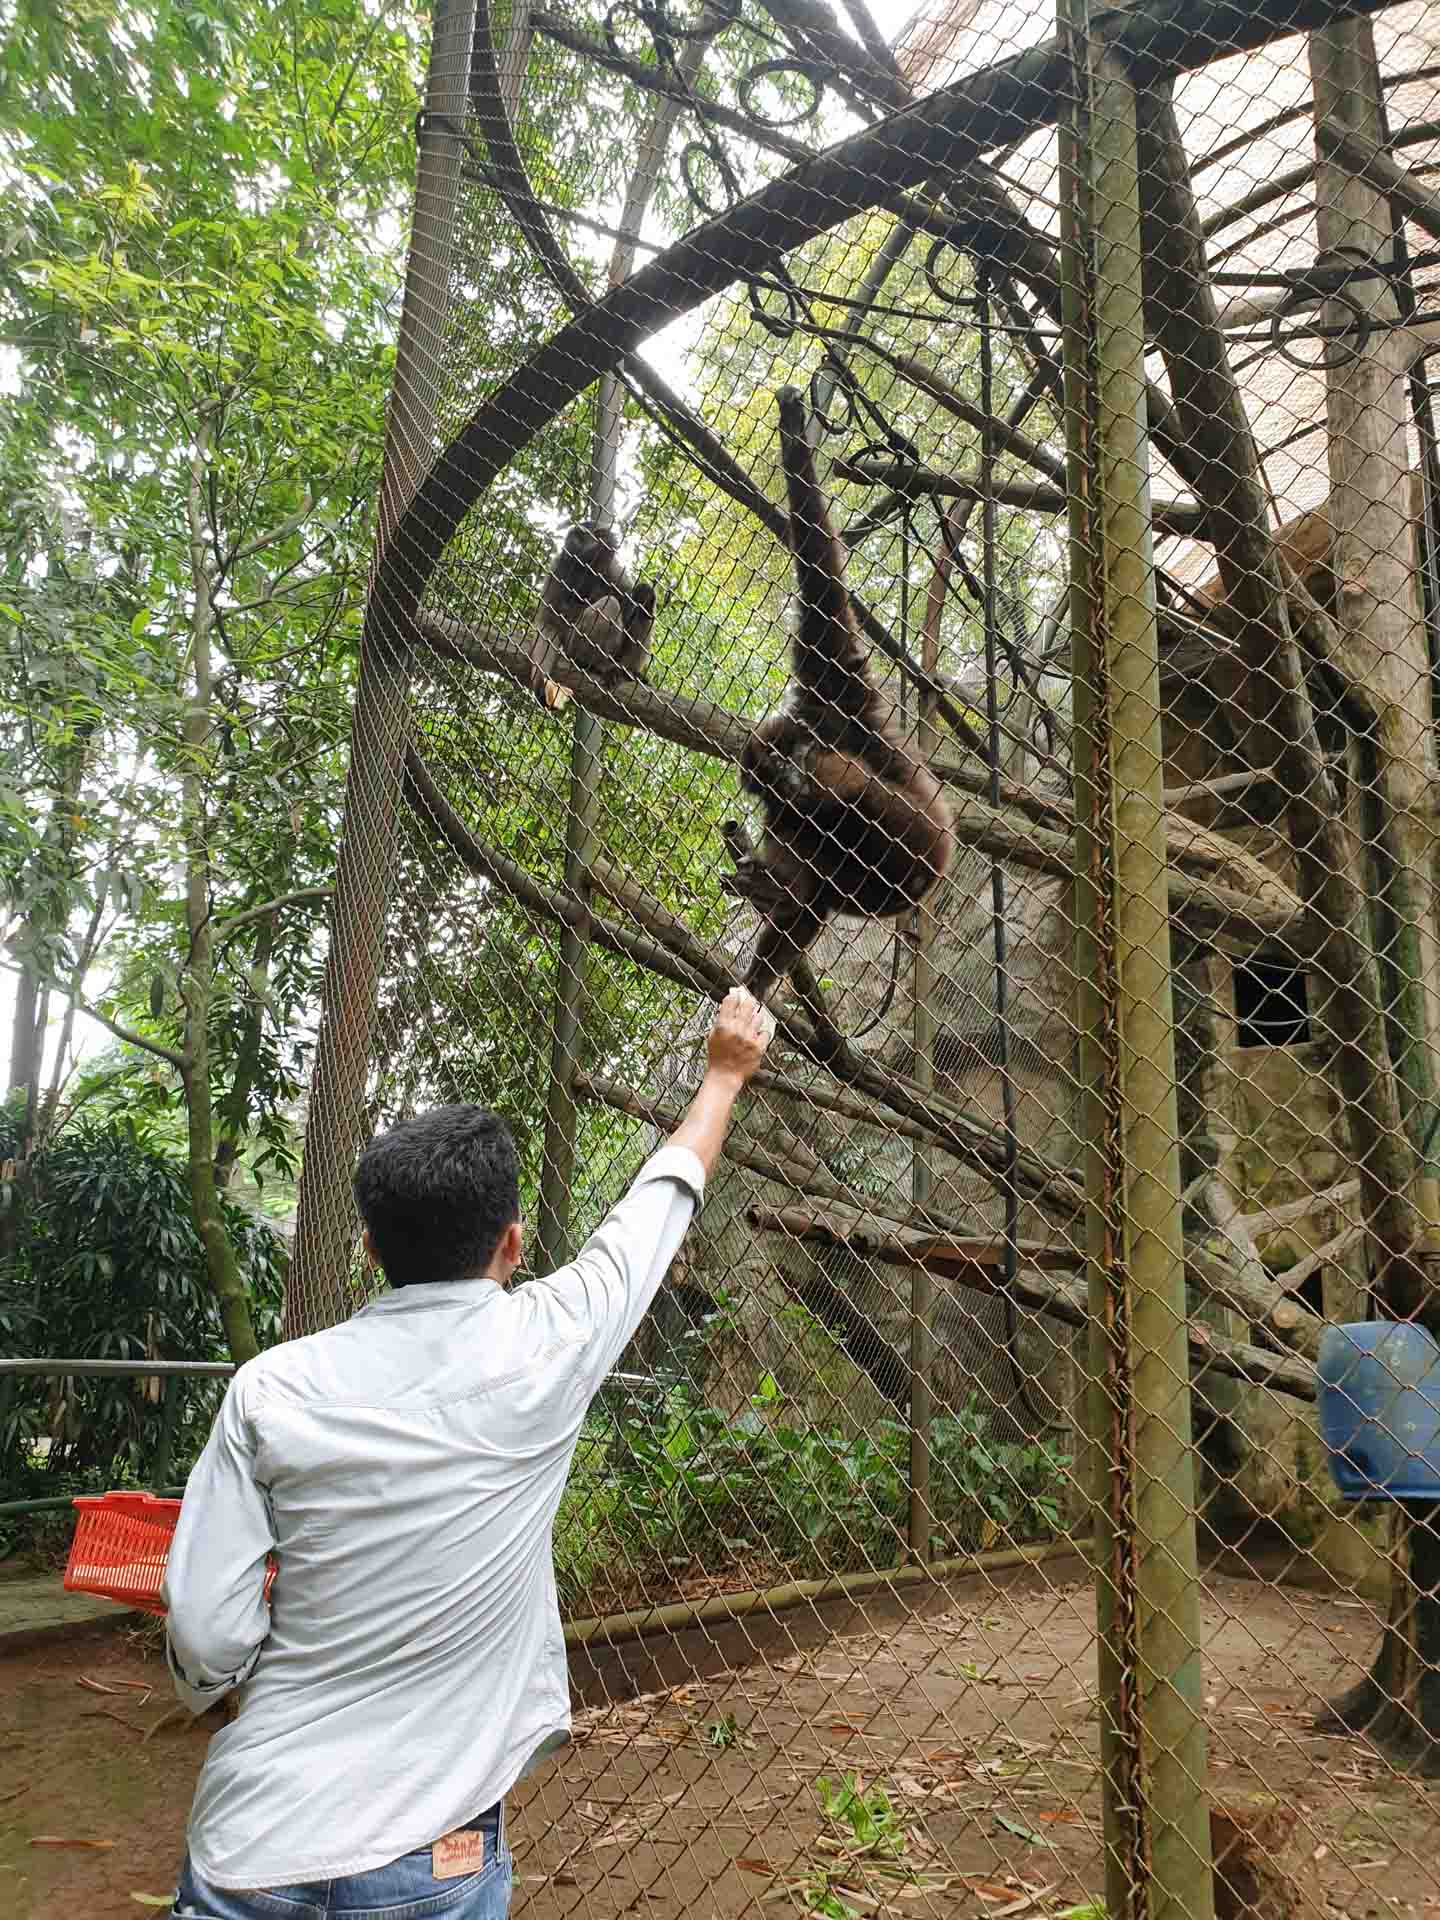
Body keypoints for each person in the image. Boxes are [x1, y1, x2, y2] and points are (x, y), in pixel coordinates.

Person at [162, 986, 773, 1919]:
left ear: (369, 1247)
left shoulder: (272, 1388)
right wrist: (724, 1075)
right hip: (429, 1861)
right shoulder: (550, 1345)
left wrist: (227, 1681)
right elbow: (654, 1210)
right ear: (513, 1244)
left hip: (250, 1843)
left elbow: (207, 1635)